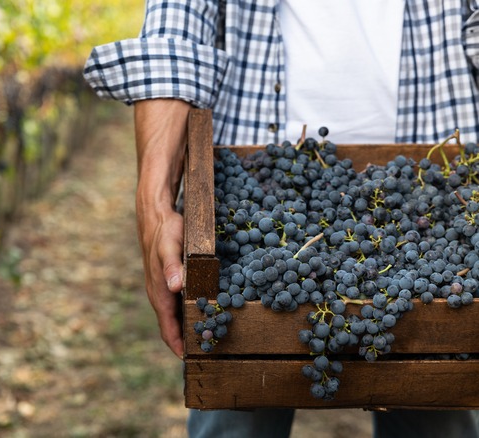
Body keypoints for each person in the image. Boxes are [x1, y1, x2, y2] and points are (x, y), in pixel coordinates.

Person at [83, 1, 479, 437]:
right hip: (251, 185)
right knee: (232, 391)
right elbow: (175, 32)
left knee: (444, 377)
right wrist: (155, 206)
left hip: (435, 190)